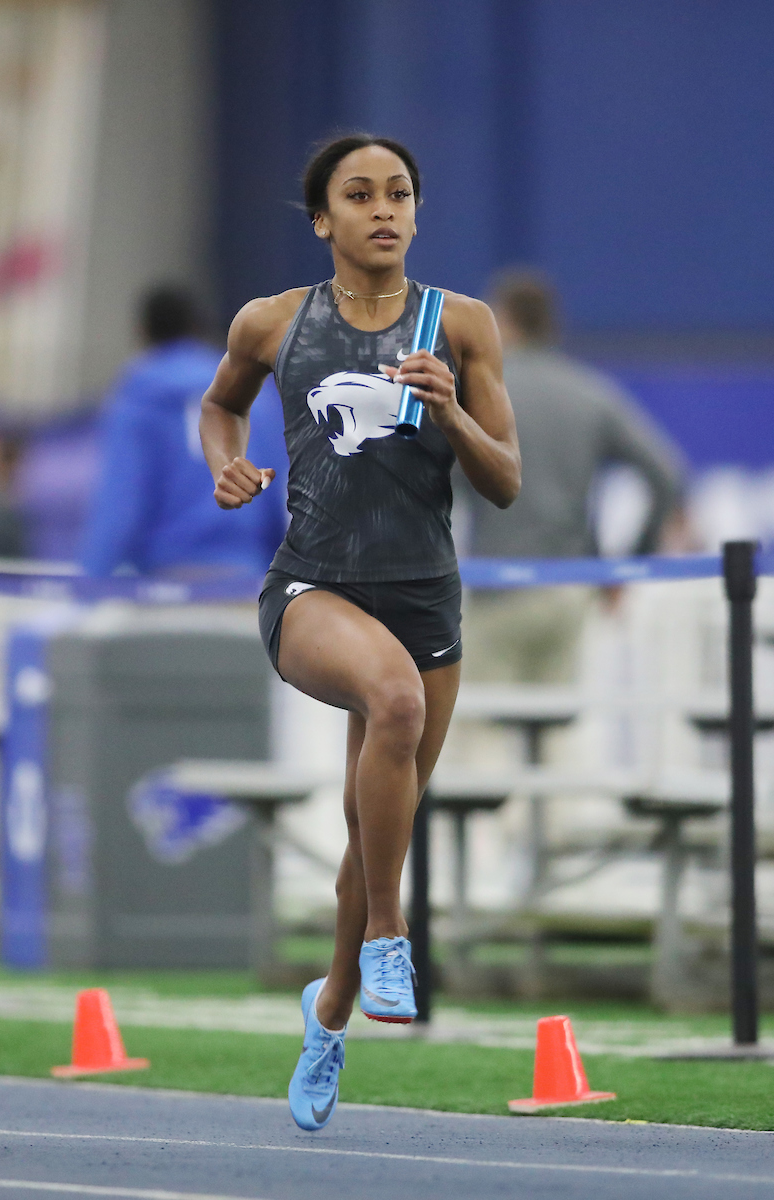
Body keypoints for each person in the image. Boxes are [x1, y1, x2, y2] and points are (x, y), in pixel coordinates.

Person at [199, 134, 521, 1130]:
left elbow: (504, 481)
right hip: (311, 593)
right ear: (321, 219)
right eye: (359, 194)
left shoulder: (460, 326)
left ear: (416, 213)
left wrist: (450, 414)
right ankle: (391, 933)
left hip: (425, 602)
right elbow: (219, 407)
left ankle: (331, 1007)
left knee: (367, 825)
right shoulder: (272, 322)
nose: (383, 209)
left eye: (399, 193)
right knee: (389, 700)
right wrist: (227, 464)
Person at [459, 270, 686, 683]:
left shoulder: (478, 395)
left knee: (482, 730)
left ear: (503, 322)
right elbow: (667, 474)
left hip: (496, 586)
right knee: (561, 727)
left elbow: (440, 485)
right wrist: (627, 567)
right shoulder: (590, 392)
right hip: (571, 589)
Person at [81, 285, 287, 577]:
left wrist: (86, 586)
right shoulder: (254, 395)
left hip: (169, 583)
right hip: (245, 580)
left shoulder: (137, 397)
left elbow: (121, 505)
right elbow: (282, 495)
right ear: (199, 328)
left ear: (142, 333)